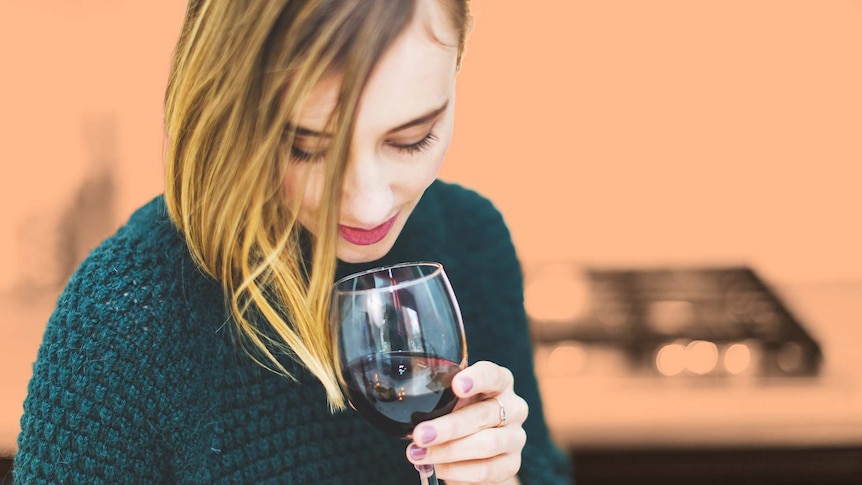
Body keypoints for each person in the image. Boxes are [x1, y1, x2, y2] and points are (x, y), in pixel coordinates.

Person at [15, 0, 571, 483]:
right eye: (307, 149)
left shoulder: (472, 240)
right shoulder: (122, 319)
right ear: (230, 104)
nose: (366, 205)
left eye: (411, 139)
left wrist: (498, 473)